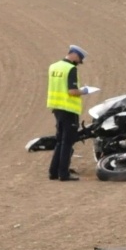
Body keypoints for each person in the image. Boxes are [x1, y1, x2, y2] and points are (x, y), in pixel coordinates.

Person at [47, 45, 94, 181]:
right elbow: (72, 91)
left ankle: (53, 172)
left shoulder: (53, 66)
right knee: (68, 142)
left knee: (59, 141)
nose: (78, 63)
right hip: (69, 109)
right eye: (79, 60)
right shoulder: (70, 69)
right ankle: (64, 173)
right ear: (74, 55)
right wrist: (85, 91)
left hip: (57, 107)